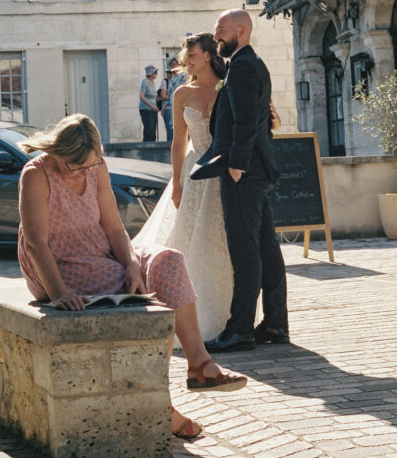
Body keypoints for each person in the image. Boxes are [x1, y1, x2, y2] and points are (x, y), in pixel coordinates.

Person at [17, 114, 246, 439]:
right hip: (56, 264)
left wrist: (132, 266)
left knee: (168, 261)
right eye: (75, 167)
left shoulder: (97, 169)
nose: (85, 172)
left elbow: (113, 228)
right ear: (58, 153)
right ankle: (161, 405)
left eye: (90, 165)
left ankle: (199, 364)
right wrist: (58, 293)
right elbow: (35, 243)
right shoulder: (36, 174)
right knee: (149, 303)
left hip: (101, 252)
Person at [133, 33, 271, 344]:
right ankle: (191, 318)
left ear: (208, 55)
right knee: (189, 244)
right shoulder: (182, 93)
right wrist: (178, 182)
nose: (186, 60)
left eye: (191, 54)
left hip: (226, 170)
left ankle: (232, 316)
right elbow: (178, 142)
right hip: (196, 171)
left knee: (225, 245)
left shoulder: (229, 83)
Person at [191, 10, 289, 353]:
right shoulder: (248, 63)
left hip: (245, 174)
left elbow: (248, 121)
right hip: (259, 171)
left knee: (245, 252)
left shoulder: (244, 66)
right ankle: (275, 323)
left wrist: (237, 165)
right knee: (266, 250)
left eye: (221, 31)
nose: (216, 37)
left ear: (241, 31)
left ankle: (241, 329)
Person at [139, 65, 160, 142]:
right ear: (150, 73)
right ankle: (146, 147)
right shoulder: (145, 81)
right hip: (146, 109)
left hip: (153, 109)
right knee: (149, 129)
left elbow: (153, 97)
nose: (156, 74)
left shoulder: (153, 83)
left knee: (153, 129)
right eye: (155, 72)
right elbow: (142, 96)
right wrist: (152, 106)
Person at [160, 66, 179, 142]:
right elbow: (163, 96)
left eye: (172, 72)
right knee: (170, 129)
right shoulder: (165, 82)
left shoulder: (177, 80)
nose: (170, 74)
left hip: (176, 107)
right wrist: (172, 96)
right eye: (168, 73)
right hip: (168, 108)